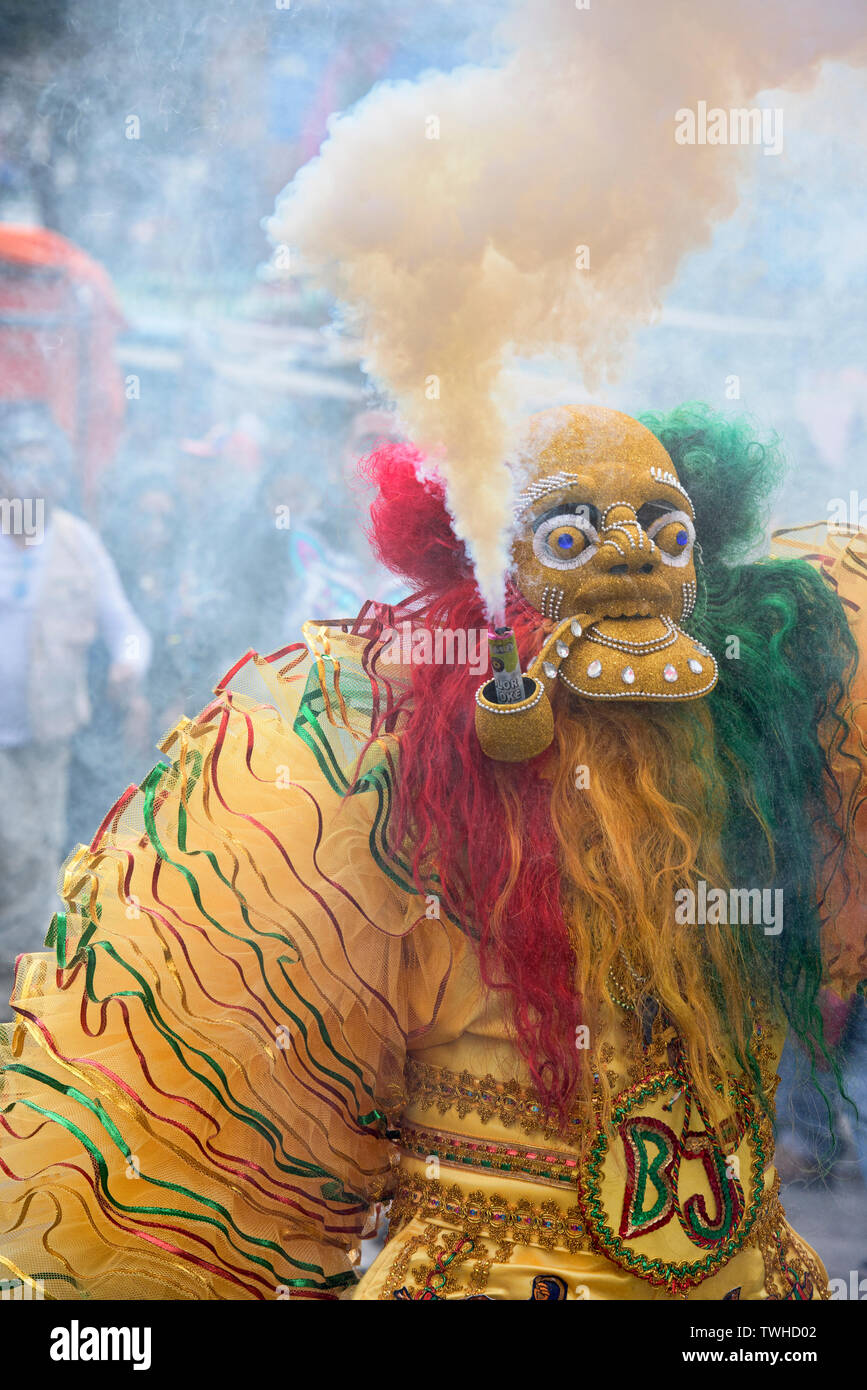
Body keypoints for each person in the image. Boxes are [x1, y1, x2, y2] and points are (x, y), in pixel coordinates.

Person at [0, 403, 864, 1301]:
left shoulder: (773, 762)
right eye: (570, 540)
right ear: (490, 586)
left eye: (668, 533)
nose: (634, 558)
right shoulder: (380, 794)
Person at [0, 401, 151, 1002]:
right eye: (21, 461)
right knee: (18, 852)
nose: (35, 477)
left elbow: (128, 626)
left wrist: (127, 662)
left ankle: (17, 992)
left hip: (45, 741)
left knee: (31, 854)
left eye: (47, 465)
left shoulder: (77, 542)